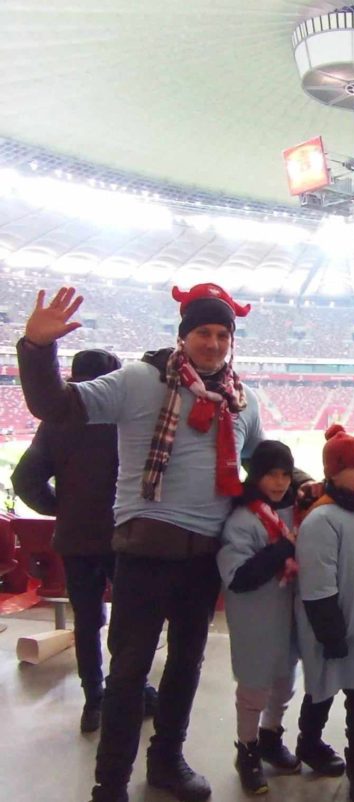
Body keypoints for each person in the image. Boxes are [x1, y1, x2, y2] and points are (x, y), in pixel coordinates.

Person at [16, 284, 303, 802]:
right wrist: (37, 349)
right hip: (144, 551)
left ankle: (167, 762)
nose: (213, 343)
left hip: (204, 559)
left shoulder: (243, 402)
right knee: (128, 672)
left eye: (222, 335)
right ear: (183, 335)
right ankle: (110, 784)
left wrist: (314, 485)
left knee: (186, 667)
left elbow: (266, 465)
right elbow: (54, 405)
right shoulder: (139, 380)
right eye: (203, 333)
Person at [12, 348, 159, 734]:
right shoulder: (123, 417)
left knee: (87, 621)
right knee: (130, 620)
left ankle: (94, 701)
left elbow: (24, 480)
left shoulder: (57, 422)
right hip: (124, 536)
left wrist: (61, 507)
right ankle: (132, 691)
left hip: (75, 538)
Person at [295, 425, 354, 802]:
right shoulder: (322, 519)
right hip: (333, 625)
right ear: (333, 472)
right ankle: (309, 742)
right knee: (321, 691)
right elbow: (317, 584)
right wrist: (332, 634)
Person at [217, 440, 303, 795]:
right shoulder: (242, 519)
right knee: (254, 686)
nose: (280, 483)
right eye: (271, 475)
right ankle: (247, 749)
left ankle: (270, 736)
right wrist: (283, 548)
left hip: (287, 615)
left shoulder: (293, 509)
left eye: (285, 474)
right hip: (256, 618)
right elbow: (238, 577)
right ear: (255, 476)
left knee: (284, 680)